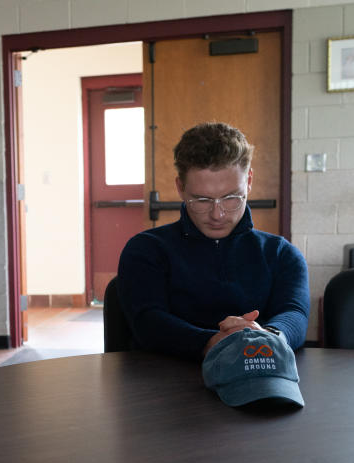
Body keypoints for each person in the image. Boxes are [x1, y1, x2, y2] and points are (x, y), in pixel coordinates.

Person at [117, 121, 309, 360]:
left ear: (248, 181)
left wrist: (268, 338)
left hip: (257, 369)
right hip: (165, 382)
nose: (217, 215)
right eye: (202, 200)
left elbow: (294, 314)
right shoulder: (146, 250)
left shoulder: (282, 254)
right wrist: (212, 342)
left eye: (231, 198)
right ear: (180, 187)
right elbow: (147, 320)